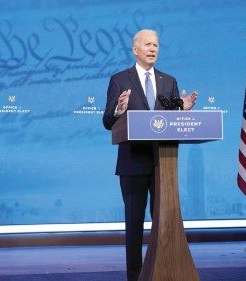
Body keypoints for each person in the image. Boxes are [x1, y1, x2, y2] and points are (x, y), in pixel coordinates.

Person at [102, 29, 197, 281]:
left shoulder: (169, 81)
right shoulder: (120, 80)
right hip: (133, 163)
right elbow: (107, 121)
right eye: (147, 44)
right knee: (134, 225)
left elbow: (173, 121)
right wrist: (119, 110)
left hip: (163, 164)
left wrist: (184, 110)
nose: (153, 48)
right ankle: (135, 277)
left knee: (164, 223)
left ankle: (166, 273)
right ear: (135, 49)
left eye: (156, 44)